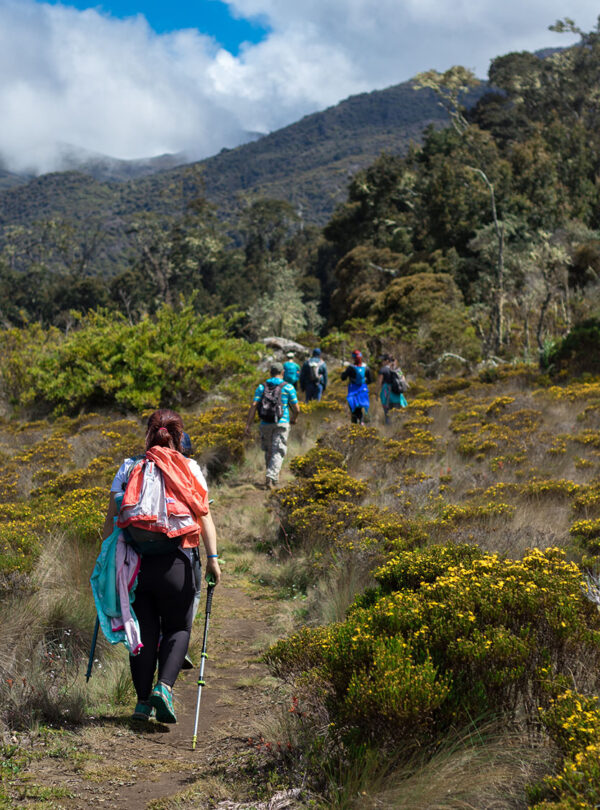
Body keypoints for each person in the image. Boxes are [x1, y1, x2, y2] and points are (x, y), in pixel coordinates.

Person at [101, 409, 221, 723]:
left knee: (142, 632)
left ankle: (141, 703)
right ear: (179, 436)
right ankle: (164, 688)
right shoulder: (189, 466)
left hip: (136, 565)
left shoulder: (129, 466)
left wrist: (104, 562)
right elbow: (203, 515)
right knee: (178, 627)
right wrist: (213, 559)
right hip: (177, 562)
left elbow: (113, 516)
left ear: (149, 434)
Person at [245, 362, 299, 489]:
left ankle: (271, 475)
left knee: (269, 449)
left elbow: (254, 406)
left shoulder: (261, 387)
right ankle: (271, 476)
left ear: (270, 372)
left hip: (265, 422)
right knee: (278, 450)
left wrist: (248, 424)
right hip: (282, 422)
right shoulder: (288, 387)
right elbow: (297, 408)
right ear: (283, 373)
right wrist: (294, 418)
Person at [341, 349, 372, 424]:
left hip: (353, 391)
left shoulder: (350, 368)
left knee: (353, 410)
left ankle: (355, 426)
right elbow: (370, 380)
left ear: (353, 358)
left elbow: (343, 378)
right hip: (363, 391)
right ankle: (361, 423)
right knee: (360, 409)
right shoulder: (366, 368)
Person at [378, 354, 408, 424]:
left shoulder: (383, 370)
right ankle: (398, 427)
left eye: (383, 360)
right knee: (397, 413)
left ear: (387, 361)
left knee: (388, 413)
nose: (382, 362)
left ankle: (389, 428)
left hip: (387, 394)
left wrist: (376, 393)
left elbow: (379, 382)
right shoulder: (397, 369)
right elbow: (403, 380)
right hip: (397, 395)